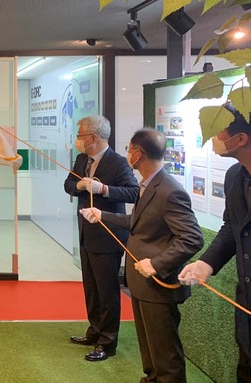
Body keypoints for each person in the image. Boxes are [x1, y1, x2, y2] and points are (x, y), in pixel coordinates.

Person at [82, 128, 203, 382]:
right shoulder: (147, 185)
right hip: (141, 284)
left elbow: (192, 238)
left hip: (158, 285)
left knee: (165, 354)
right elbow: (137, 222)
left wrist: (157, 264)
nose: (127, 154)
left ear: (138, 154)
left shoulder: (169, 190)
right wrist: (103, 215)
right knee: (150, 352)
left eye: (129, 149)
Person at [179, 103, 251, 382]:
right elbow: (232, 227)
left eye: (217, 131)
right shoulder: (234, 176)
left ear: (241, 139)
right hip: (245, 302)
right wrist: (206, 264)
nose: (212, 138)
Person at [64, 114, 139, 361]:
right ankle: (94, 331)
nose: (77, 140)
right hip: (86, 234)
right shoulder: (81, 159)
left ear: (93, 137)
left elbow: (133, 192)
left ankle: (108, 341)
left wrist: (103, 189)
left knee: (107, 291)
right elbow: (68, 184)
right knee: (91, 287)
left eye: (80, 135)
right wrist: (79, 186)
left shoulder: (118, 163)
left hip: (108, 235)